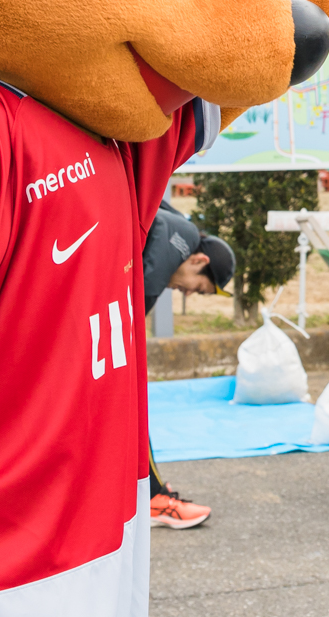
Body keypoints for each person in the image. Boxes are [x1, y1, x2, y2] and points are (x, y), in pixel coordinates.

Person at [142, 200, 236, 529]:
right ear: (198, 260)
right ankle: (152, 499)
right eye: (197, 287)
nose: (187, 292)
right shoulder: (177, 234)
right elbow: (137, 303)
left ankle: (148, 495)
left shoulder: (174, 222)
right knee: (132, 404)